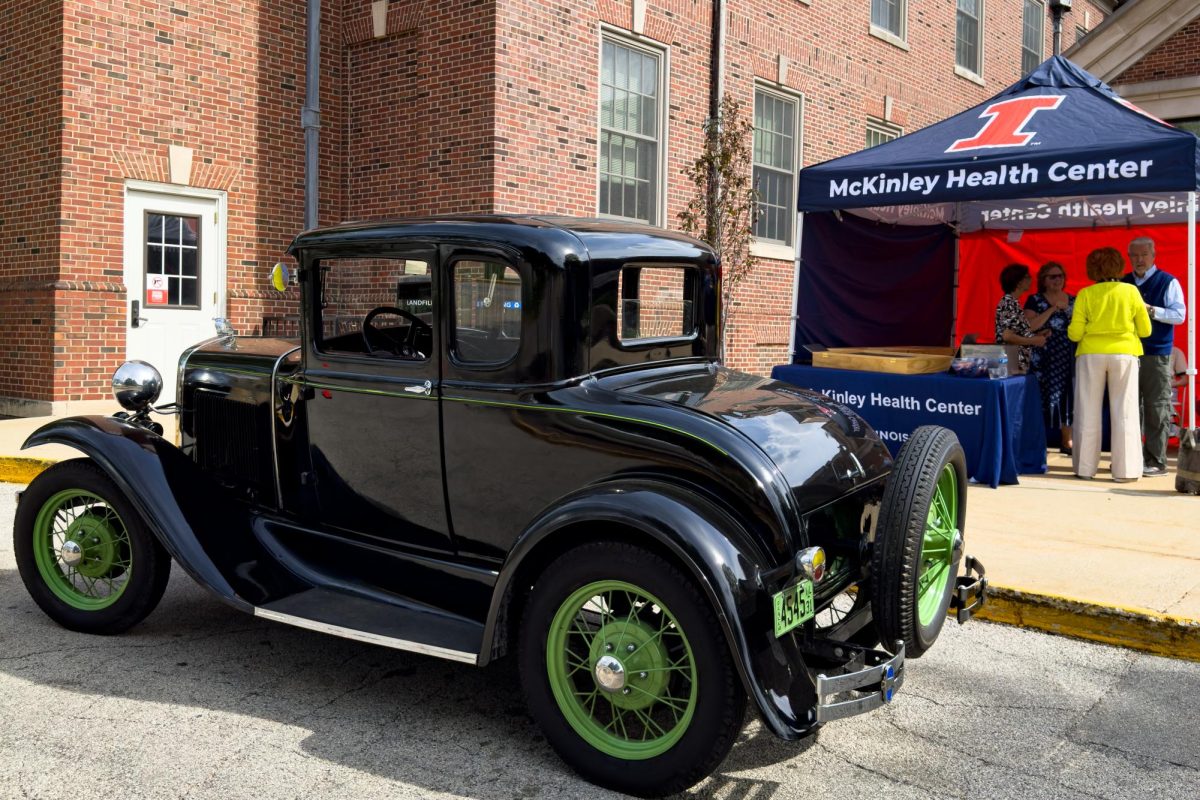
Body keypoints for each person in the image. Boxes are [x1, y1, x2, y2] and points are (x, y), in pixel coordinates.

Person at [1068, 247, 1152, 482]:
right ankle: (1125, 471)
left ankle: (1085, 468)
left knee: (1087, 410)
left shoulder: (1085, 294)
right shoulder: (1131, 291)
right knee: (1125, 412)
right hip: (1125, 353)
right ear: (1119, 266)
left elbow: (1074, 335)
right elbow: (1146, 330)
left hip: (1090, 355)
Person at [1124, 236, 1186, 477]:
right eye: (1135, 255)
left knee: (1156, 407)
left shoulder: (1168, 282)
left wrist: (1149, 310)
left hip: (1156, 353)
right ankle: (1131, 457)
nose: (1139, 260)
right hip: (1127, 352)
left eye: (1144, 255)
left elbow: (1179, 315)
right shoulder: (1124, 282)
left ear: (1153, 255)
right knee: (1129, 407)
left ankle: (1157, 461)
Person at [1023, 261, 1075, 453]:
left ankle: (1066, 440)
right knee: (1041, 396)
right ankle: (1038, 441)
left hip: (1067, 356)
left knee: (1067, 396)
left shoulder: (1074, 300)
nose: (1057, 280)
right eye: (1052, 276)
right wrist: (1052, 308)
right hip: (1043, 356)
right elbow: (1030, 326)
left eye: (1060, 275)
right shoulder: (1035, 300)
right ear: (1043, 280)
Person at [994, 263, 1048, 374]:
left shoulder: (1013, 302)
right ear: (1018, 282)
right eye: (1027, 277)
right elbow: (1008, 336)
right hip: (1010, 364)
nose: (1030, 279)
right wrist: (1034, 340)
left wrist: (1036, 335)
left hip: (1016, 364)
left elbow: (1015, 333)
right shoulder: (1008, 303)